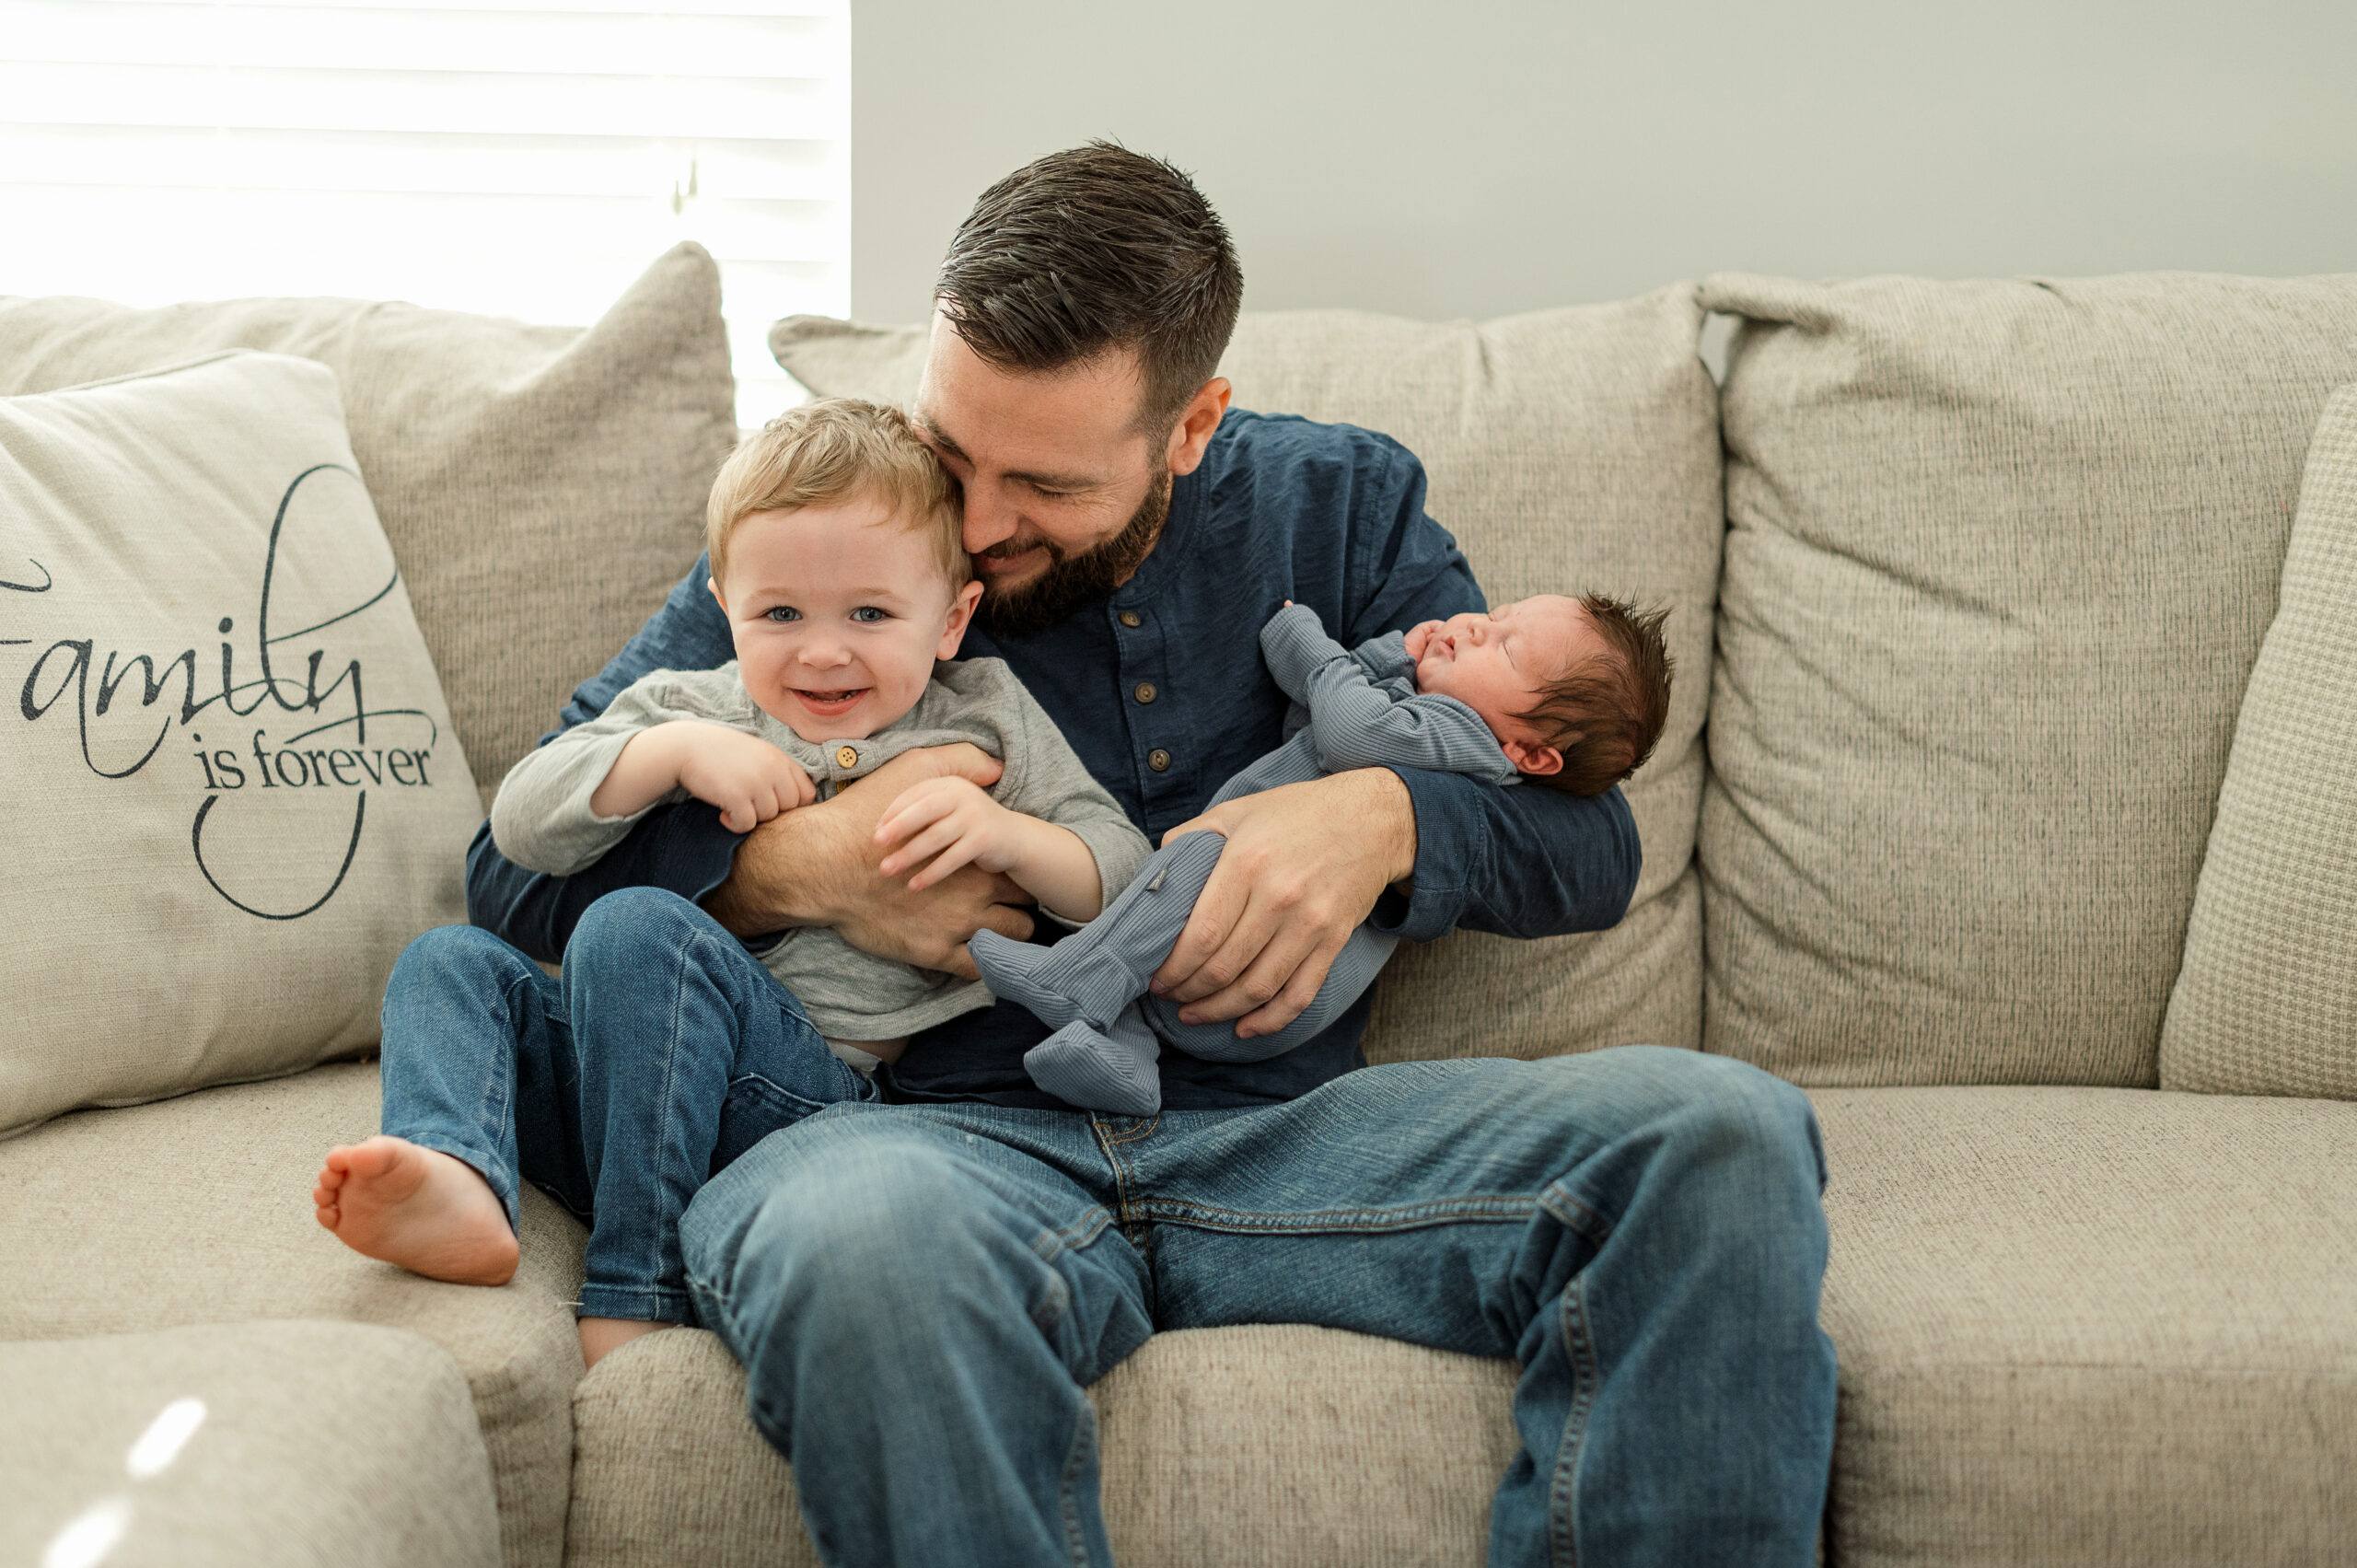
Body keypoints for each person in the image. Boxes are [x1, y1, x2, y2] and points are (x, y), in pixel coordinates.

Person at [467, 143, 1837, 1566]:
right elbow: (505, 879)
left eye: (1042, 482)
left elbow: (1586, 842)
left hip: (1287, 1139)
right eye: (956, 451)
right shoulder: (847, 526)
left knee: (1716, 1138)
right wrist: (793, 869)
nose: (977, 524)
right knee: (858, 1248)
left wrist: (1382, 816)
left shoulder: (1346, 508)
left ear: (1192, 426)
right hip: (915, 1142)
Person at [310, 399, 1149, 1366]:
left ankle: (639, 1282)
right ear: (724, 605)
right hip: (614, 1093)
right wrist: (666, 754)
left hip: (793, 1097)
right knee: (447, 960)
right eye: (780, 612)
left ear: (953, 617)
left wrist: (1012, 837)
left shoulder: (984, 719)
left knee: (634, 928)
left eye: (870, 613)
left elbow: (1121, 871)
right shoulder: (693, 706)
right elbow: (520, 825)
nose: (822, 649)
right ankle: (456, 1167)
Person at [975, 593, 1674, 1114]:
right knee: (1195, 863)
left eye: (1506, 648)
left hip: (1265, 972)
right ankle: (1123, 1051)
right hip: (1249, 990)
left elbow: (1344, 725)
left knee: (1200, 852)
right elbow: (1323, 716)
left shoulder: (1464, 740)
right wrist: (1389, 658)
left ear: (1529, 754)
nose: (1472, 625)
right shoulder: (1427, 717)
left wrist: (1307, 638)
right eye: (1496, 613)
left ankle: (1081, 982)